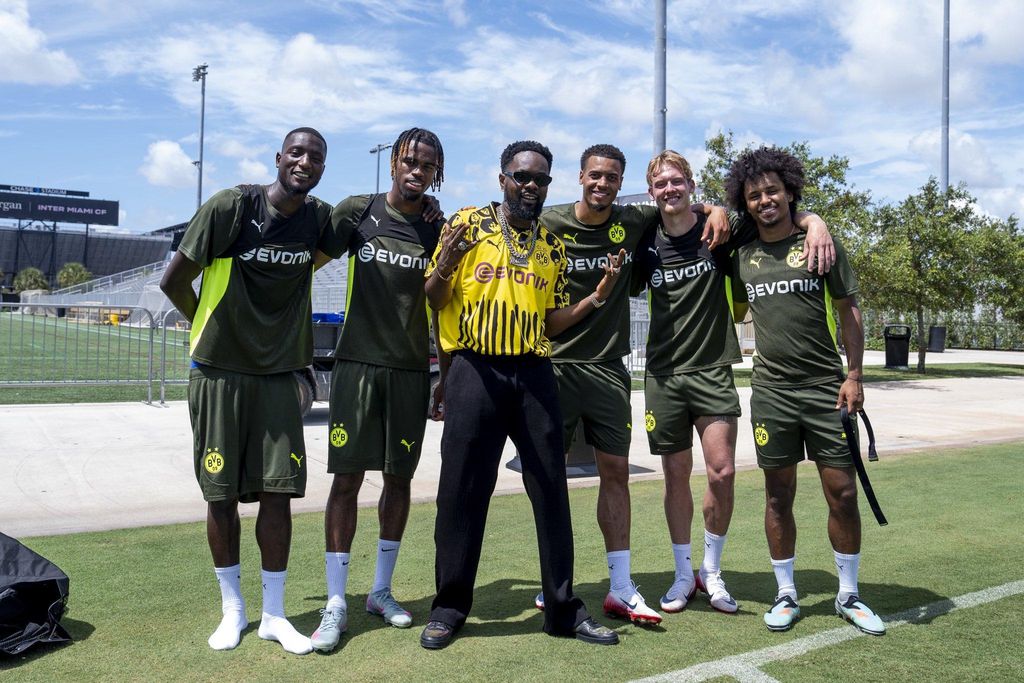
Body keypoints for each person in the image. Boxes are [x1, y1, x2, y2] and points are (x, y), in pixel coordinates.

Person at [419, 140, 621, 649]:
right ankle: (448, 607)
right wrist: (447, 264)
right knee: (462, 491)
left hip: (533, 372)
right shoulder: (466, 225)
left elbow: (550, 322)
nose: (531, 185)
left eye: (540, 179)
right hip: (474, 368)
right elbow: (435, 298)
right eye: (522, 176)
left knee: (551, 489)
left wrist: (595, 299)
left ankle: (563, 610)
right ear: (503, 178)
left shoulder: (552, 246)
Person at [534, 144, 730, 624]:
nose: (602, 184)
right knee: (548, 479)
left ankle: (621, 586)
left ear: (622, 185)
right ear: (581, 177)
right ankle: (554, 581)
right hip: (554, 367)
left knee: (616, 475)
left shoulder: (635, 220)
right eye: (595, 175)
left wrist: (717, 208)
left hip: (609, 370)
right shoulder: (550, 222)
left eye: (611, 178)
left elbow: (682, 205)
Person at [632, 150, 833, 616]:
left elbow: (777, 217)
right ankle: (683, 574)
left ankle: (712, 570)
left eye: (677, 181)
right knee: (675, 476)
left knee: (722, 472)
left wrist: (815, 221)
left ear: (691, 184)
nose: (669, 189)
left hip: (713, 369)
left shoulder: (721, 232)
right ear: (651, 191)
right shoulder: (646, 237)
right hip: (663, 375)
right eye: (661, 183)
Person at [160, 127, 333, 655]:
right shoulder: (230, 207)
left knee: (280, 492)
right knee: (222, 495)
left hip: (279, 376)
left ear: (323, 168)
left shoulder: (319, 220)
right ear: (279, 157)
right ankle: (232, 609)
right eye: (297, 152)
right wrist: (213, 328)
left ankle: (274, 615)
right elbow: (173, 281)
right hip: (218, 372)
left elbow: (370, 222)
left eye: (316, 157)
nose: (305, 162)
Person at [726, 146, 885, 636]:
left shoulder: (820, 244)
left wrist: (854, 375)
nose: (765, 200)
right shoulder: (742, 257)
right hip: (771, 393)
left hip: (825, 391)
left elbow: (848, 309)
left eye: (772, 190)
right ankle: (786, 593)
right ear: (745, 202)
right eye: (755, 195)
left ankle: (849, 594)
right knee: (778, 496)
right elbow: (736, 310)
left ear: (790, 191)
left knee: (842, 492)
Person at [308, 128, 446, 651]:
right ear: (393, 163)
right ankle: (335, 601)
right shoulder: (357, 212)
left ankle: (381, 591)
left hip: (409, 372)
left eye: (427, 165)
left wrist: (444, 375)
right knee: (346, 480)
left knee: (399, 480)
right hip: (357, 368)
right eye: (410, 161)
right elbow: (307, 265)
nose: (417, 171)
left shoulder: (435, 228)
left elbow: (442, 306)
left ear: (435, 173)